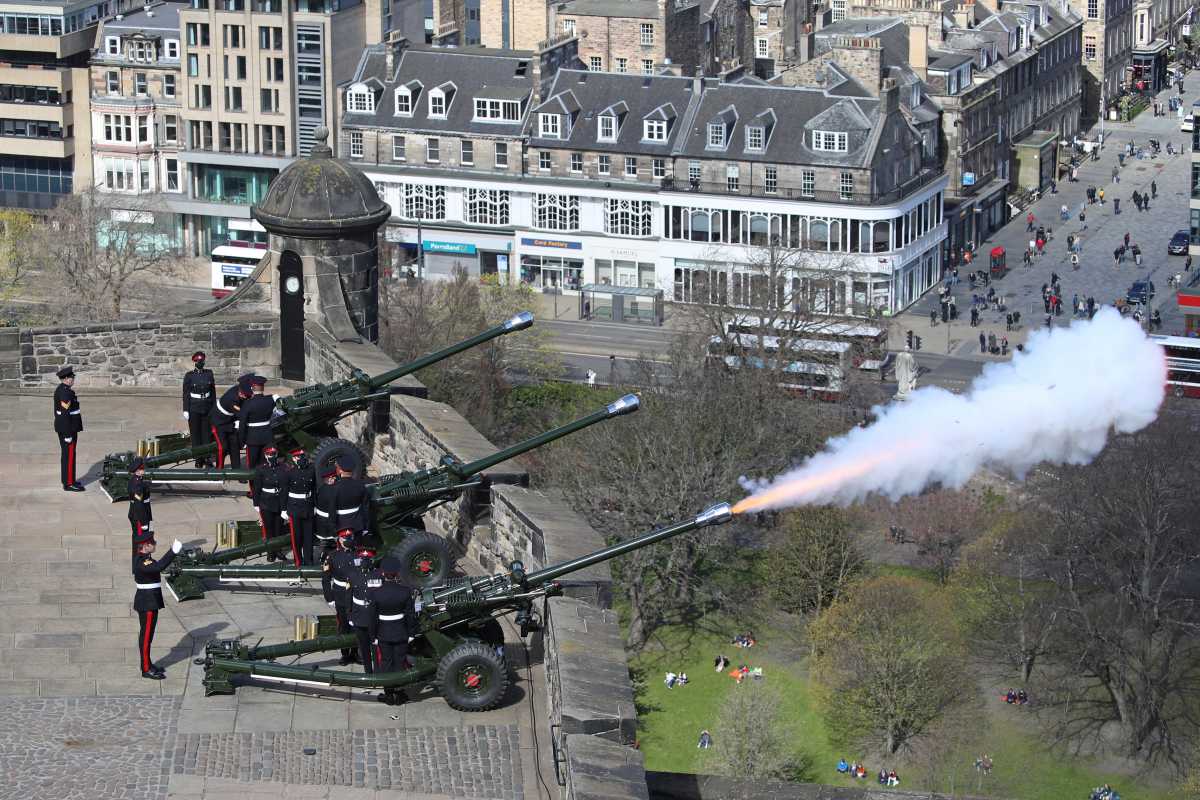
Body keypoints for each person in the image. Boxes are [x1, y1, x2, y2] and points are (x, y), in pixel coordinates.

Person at [133, 531, 182, 679]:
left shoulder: (145, 559)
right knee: (146, 636)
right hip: (147, 603)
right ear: (145, 546)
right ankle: (146, 669)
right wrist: (173, 551)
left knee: (148, 636)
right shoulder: (143, 562)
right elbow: (158, 567)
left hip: (150, 601)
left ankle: (147, 664)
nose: (154, 543)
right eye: (152, 542)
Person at [368, 556, 418, 704]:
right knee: (400, 662)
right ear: (397, 574)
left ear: (383, 573)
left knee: (386, 662)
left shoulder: (376, 593)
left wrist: (373, 636)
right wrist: (411, 633)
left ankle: (389, 694)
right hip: (401, 632)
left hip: (383, 633)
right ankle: (400, 693)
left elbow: (373, 618)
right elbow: (410, 615)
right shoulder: (405, 591)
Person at [323, 528, 359, 665]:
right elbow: (326, 579)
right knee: (344, 626)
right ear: (339, 539)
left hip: (356, 594)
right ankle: (345, 654)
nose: (347, 541)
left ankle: (355, 652)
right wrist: (329, 597)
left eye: (350, 538)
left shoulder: (359, 554)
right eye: (345, 538)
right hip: (341, 594)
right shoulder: (332, 556)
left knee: (356, 624)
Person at [348, 539, 382, 675]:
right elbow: (348, 597)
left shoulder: (379, 575)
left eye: (368, 558)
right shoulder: (353, 575)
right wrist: (350, 615)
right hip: (359, 616)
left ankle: (378, 672)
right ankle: (368, 672)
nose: (365, 560)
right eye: (363, 558)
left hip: (374, 616)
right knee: (364, 648)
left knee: (376, 646)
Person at [181, 351, 216, 468]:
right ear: (194, 362)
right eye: (198, 361)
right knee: (195, 434)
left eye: (201, 361)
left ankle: (207, 458)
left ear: (204, 361)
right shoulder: (189, 376)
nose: (200, 363)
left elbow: (213, 392)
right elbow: (186, 394)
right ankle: (198, 458)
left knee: (206, 434)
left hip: (207, 406)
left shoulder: (209, 373)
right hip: (194, 407)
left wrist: (214, 407)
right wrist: (186, 409)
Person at [53, 366, 84, 492]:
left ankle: (69, 479)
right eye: (71, 377)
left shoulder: (65, 390)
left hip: (69, 428)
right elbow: (65, 414)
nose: (73, 379)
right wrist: (67, 434)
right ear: (66, 379)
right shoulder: (65, 392)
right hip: (68, 429)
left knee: (69, 455)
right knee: (69, 456)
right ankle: (69, 483)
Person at [283, 450, 317, 566]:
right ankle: (298, 561)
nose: (300, 459)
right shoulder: (289, 473)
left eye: (302, 456)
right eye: (297, 457)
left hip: (308, 506)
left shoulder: (311, 470)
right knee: (296, 537)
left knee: (308, 537)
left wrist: (315, 505)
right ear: (293, 459)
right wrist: (284, 509)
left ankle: (309, 560)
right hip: (294, 507)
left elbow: (315, 489)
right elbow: (284, 492)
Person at [211, 374, 251, 469]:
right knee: (222, 447)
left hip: (230, 420)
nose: (246, 397)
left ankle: (237, 472)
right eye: (245, 395)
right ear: (241, 392)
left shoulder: (240, 391)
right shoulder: (232, 399)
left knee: (235, 446)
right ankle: (219, 470)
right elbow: (242, 414)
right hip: (219, 422)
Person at [238, 375, 274, 469]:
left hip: (252, 439)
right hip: (267, 437)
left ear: (252, 388)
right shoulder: (270, 400)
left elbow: (242, 425)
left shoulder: (248, 404)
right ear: (263, 387)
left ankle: (254, 484)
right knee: (266, 464)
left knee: (252, 465)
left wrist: (242, 441)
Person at [252, 446, 284, 549]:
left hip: (279, 501)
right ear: (266, 456)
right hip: (266, 502)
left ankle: (278, 550)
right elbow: (257, 488)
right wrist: (256, 503)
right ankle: (271, 552)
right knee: (269, 529)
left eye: (274, 454)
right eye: (270, 455)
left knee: (278, 529)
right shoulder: (261, 469)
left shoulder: (283, 467)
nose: (272, 456)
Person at [333, 455, 370, 537]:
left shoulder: (334, 487)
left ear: (340, 470)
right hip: (357, 525)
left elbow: (331, 510)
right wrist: (366, 526)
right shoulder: (361, 486)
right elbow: (365, 508)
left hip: (340, 526)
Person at [127, 457, 153, 556]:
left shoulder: (136, 480)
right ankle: (140, 562)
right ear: (138, 471)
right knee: (141, 541)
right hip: (139, 516)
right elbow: (139, 504)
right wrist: (143, 522)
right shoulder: (137, 485)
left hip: (138, 514)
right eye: (143, 469)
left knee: (140, 540)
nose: (144, 470)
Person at [313, 466, 339, 553]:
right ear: (331, 478)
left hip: (320, 522)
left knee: (326, 544)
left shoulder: (321, 488)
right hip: (328, 523)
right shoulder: (333, 491)